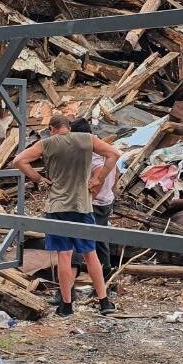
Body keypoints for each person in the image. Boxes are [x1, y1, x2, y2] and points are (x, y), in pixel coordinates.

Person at [12, 114, 120, 317]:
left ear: (52, 128)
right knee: (91, 254)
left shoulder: (47, 143)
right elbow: (114, 154)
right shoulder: (86, 140)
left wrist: (39, 178)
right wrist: (99, 178)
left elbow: (19, 160)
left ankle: (67, 305)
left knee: (64, 255)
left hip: (58, 207)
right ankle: (104, 302)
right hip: (83, 206)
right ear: (68, 127)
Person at [70, 118, 116, 281]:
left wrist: (88, 199)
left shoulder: (91, 152)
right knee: (100, 238)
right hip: (106, 200)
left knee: (75, 237)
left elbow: (97, 173)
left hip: (94, 202)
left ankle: (73, 280)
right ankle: (106, 275)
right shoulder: (105, 148)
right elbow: (113, 173)